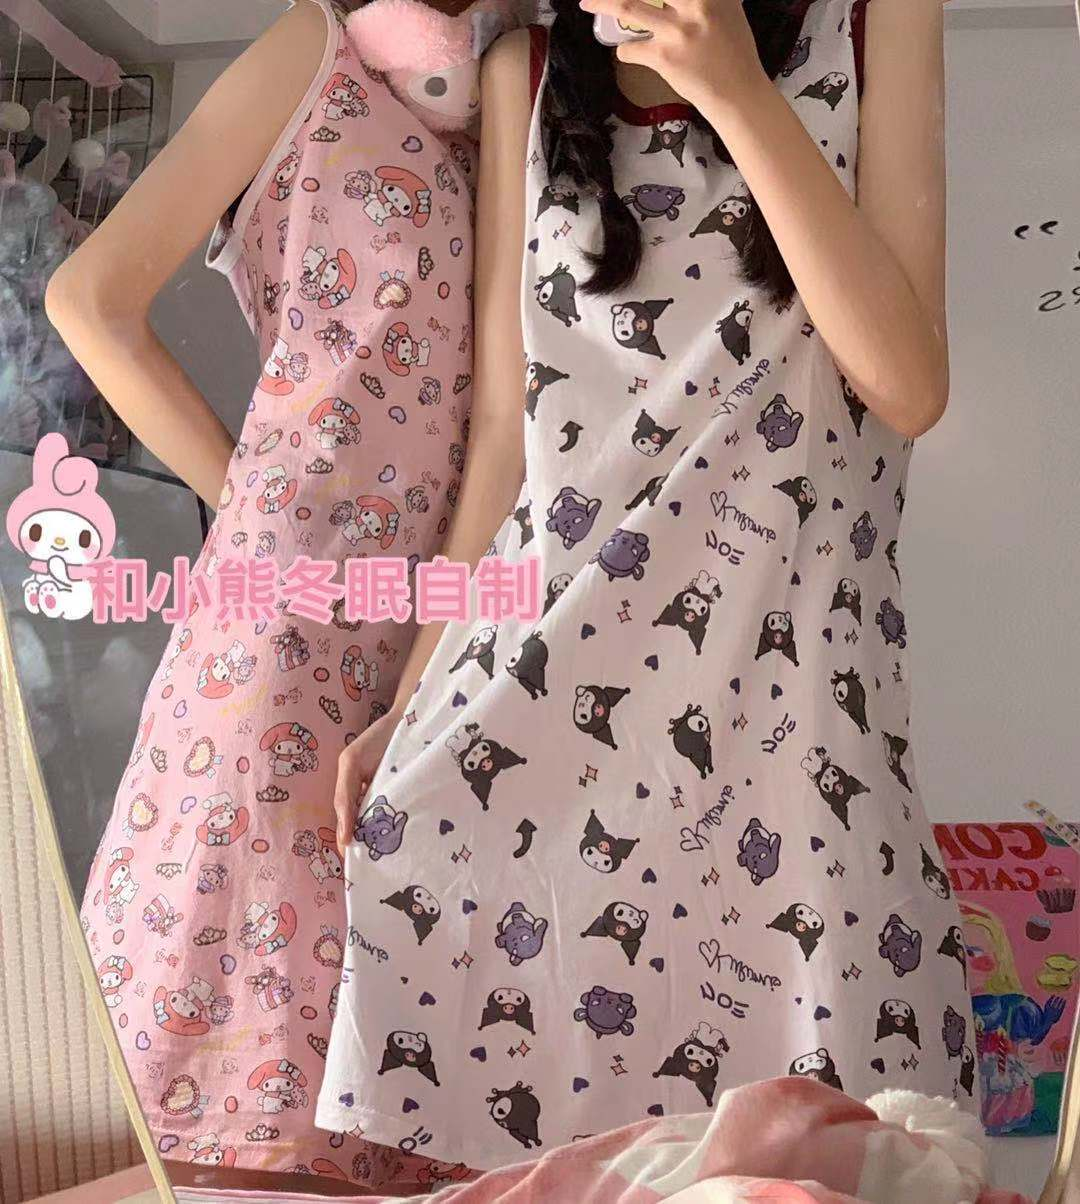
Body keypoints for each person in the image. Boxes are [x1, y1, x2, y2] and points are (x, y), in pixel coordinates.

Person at [317, 0, 978, 1172]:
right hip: (555, 712)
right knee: (579, 1150)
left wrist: (736, 88)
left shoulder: (872, 21)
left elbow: (909, 385)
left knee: (830, 1146)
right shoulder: (527, 73)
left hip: (794, 714)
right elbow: (508, 445)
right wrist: (414, 694)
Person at [47, 0, 501, 1190]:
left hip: (440, 616)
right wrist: (244, 503)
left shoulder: (511, 98)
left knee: (374, 1016)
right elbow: (89, 300)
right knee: (222, 1006)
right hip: (290, 604)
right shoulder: (312, 48)